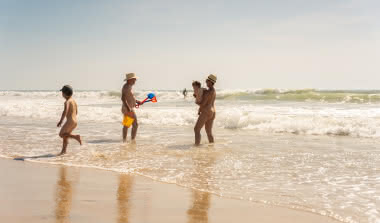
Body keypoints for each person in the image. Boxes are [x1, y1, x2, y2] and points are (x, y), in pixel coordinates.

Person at [57, 85, 81, 155]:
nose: (62, 94)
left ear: (64, 93)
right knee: (65, 136)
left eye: (62, 92)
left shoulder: (67, 101)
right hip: (75, 121)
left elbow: (65, 111)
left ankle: (76, 137)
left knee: (61, 134)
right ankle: (63, 151)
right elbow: (76, 112)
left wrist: (61, 121)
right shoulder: (73, 101)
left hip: (70, 121)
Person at [194, 74, 217, 145]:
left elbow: (203, 104)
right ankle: (212, 147)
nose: (206, 82)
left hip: (206, 111)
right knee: (209, 132)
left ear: (210, 82)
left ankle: (196, 147)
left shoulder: (209, 92)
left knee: (196, 129)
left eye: (207, 81)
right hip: (213, 112)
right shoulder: (213, 91)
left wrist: (197, 101)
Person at [121, 73, 140, 142]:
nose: (135, 81)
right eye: (134, 79)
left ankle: (125, 140)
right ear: (129, 80)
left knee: (127, 125)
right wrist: (129, 108)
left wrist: (136, 101)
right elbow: (123, 98)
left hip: (128, 108)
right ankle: (132, 140)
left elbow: (129, 97)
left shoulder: (129, 86)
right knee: (135, 124)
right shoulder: (126, 87)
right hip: (127, 108)